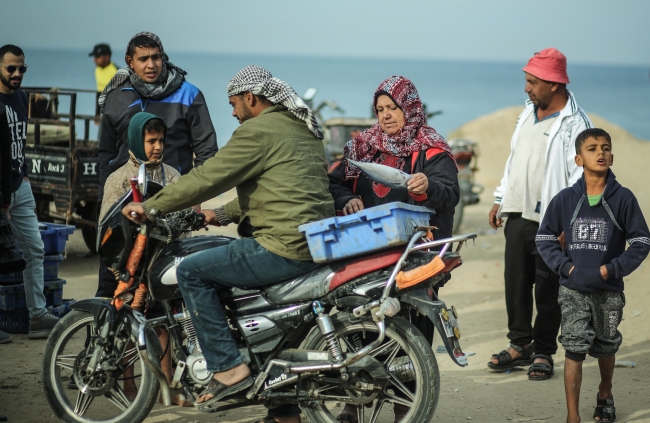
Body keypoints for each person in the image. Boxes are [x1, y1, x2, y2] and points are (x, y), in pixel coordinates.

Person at [122, 65, 334, 422]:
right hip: (312, 243)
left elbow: (209, 177)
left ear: (251, 98)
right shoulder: (300, 128)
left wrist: (151, 206)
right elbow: (280, 190)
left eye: (234, 104)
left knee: (191, 271)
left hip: (282, 246)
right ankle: (283, 412)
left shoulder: (257, 131)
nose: (233, 113)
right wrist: (218, 215)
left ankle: (228, 369)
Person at [328, 75, 459, 423]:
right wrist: (347, 198)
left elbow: (450, 194)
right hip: (365, 254)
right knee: (357, 324)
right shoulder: (362, 148)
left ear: (410, 107)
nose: (385, 115)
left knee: (412, 327)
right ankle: (352, 405)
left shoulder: (431, 149)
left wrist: (427, 185)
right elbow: (333, 182)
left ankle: (407, 408)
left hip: (415, 255)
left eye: (393, 108)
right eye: (380, 109)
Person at [487, 48, 592, 380]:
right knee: (516, 285)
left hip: (552, 222)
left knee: (548, 290)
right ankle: (520, 345)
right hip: (517, 215)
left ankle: (544, 351)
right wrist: (501, 197)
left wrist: (570, 223)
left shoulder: (576, 123)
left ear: (554, 84)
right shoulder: (526, 114)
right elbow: (514, 159)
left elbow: (583, 178)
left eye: (533, 82)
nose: (527, 88)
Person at [536, 128, 650, 423]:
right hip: (572, 287)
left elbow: (641, 241)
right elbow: (544, 237)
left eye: (606, 148)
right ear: (578, 158)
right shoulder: (564, 200)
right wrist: (567, 268)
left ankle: (605, 392)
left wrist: (611, 269)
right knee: (573, 348)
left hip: (609, 290)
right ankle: (572, 416)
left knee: (606, 345)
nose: (600, 152)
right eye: (592, 148)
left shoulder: (623, 198)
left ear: (612, 156)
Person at [96, 31, 218, 299]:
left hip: (173, 197)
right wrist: (107, 195)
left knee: (167, 282)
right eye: (143, 59)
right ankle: (106, 334)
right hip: (124, 198)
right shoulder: (117, 96)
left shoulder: (189, 94)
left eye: (156, 57)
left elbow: (207, 152)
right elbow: (106, 151)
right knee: (115, 275)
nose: (151, 65)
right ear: (129, 61)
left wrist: (196, 196)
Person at [98, 111, 190, 406]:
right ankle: (128, 387)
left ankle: (169, 389)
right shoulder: (118, 180)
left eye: (161, 140)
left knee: (165, 328)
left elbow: (182, 222)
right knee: (127, 327)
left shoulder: (173, 177)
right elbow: (106, 228)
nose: (158, 147)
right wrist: (118, 271)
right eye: (151, 141)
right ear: (137, 140)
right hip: (129, 269)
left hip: (163, 265)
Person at [0, 44, 59, 338]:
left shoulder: (22, 98)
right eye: (10, 68)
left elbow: (19, 145)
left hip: (19, 186)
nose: (16, 73)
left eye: (21, 68)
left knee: (34, 250)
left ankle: (37, 316)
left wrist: (22, 178)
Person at [88, 43, 117, 121]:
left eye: (97, 57)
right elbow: (99, 93)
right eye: (94, 57)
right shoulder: (97, 70)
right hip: (104, 112)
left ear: (107, 57)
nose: (94, 60)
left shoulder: (116, 72)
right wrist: (97, 114)